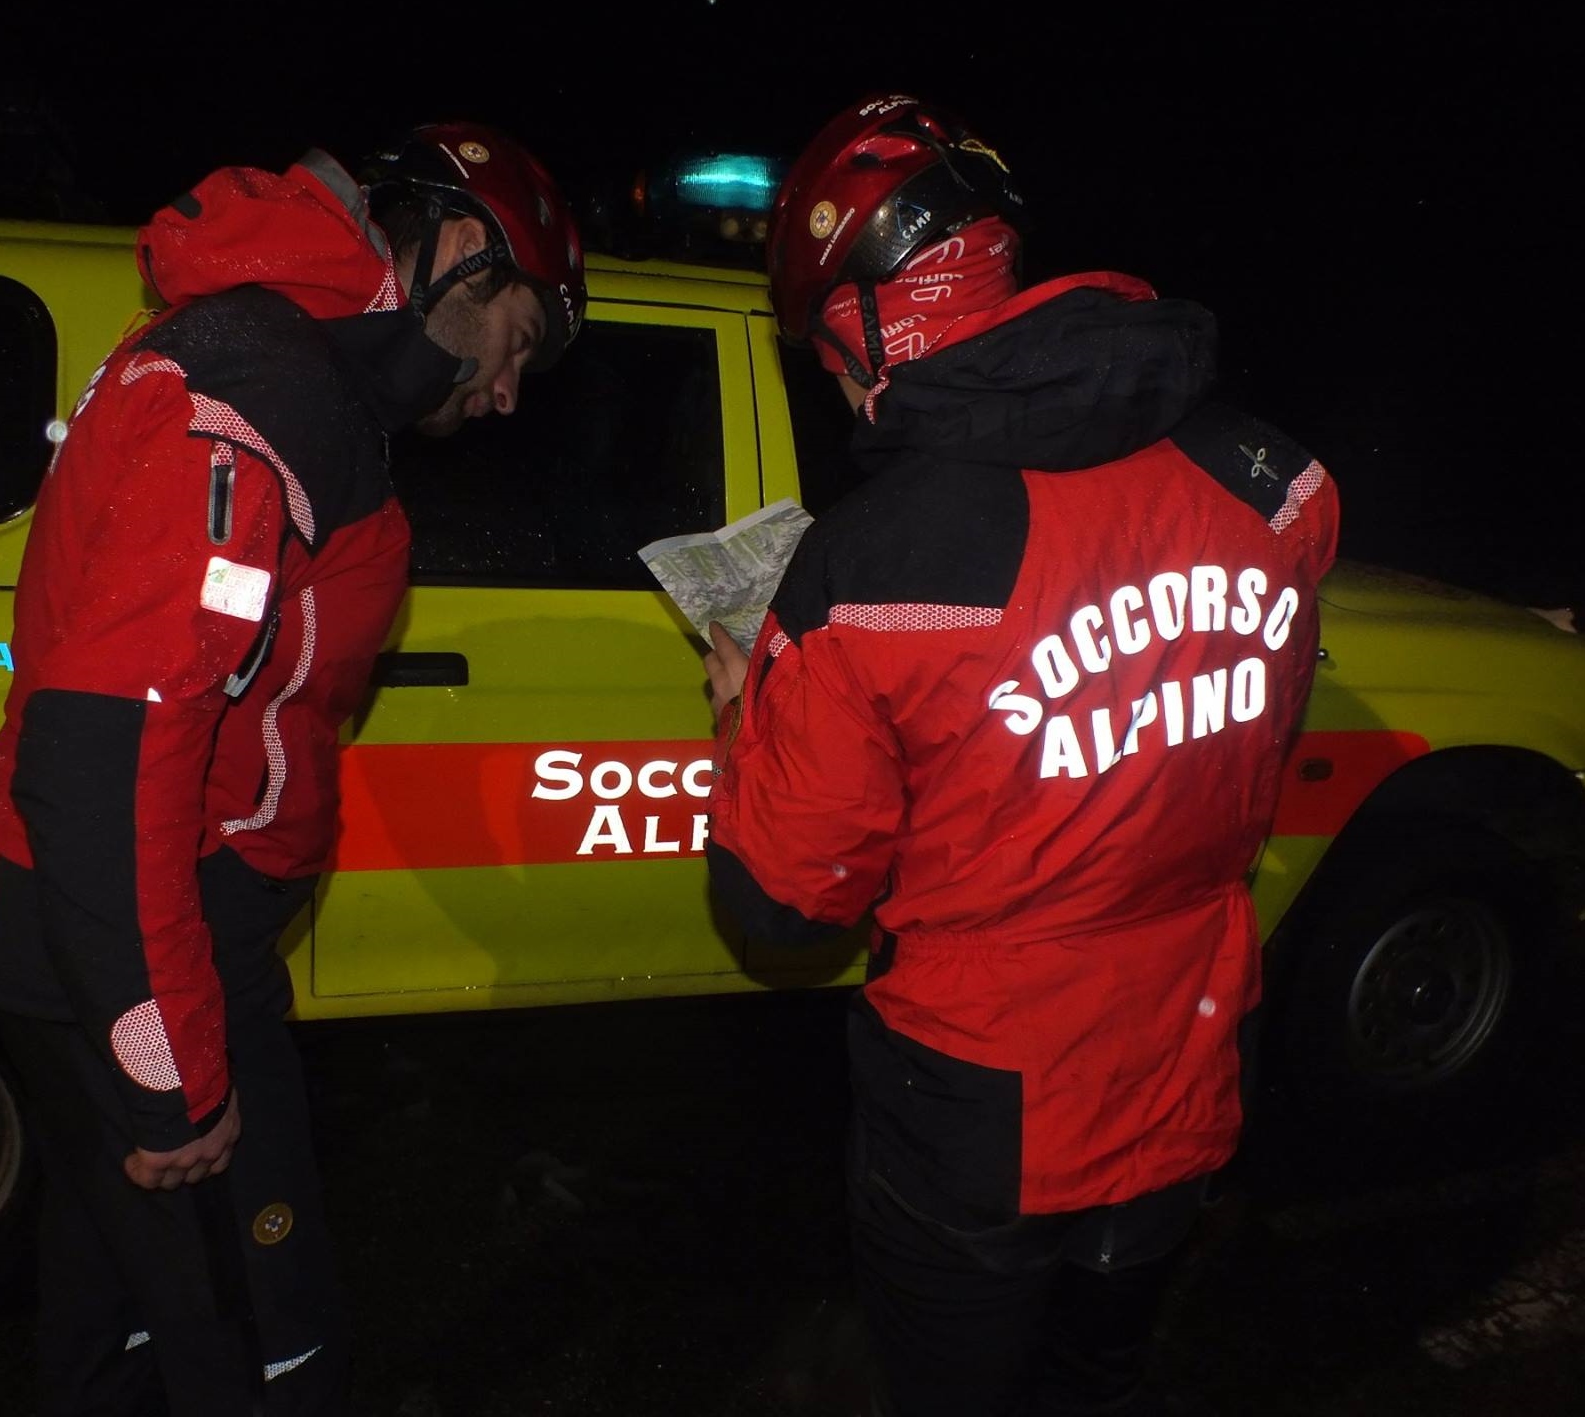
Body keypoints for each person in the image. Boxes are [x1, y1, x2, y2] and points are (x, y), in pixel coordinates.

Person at [702, 93, 1340, 1417]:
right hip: (1191, 1055)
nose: (828, 382)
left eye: (822, 350)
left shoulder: (872, 566)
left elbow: (777, 912)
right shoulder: (1275, 480)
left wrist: (743, 712)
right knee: (1100, 1370)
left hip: (975, 1121)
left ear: (869, 329)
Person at [0, 121, 585, 1415]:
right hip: (149, 954)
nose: (508, 394)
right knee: (270, 1352)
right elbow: (105, 749)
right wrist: (174, 1079)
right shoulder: (255, 383)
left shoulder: (281, 367)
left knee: (114, 1316)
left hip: (115, 942)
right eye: (521, 343)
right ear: (459, 258)